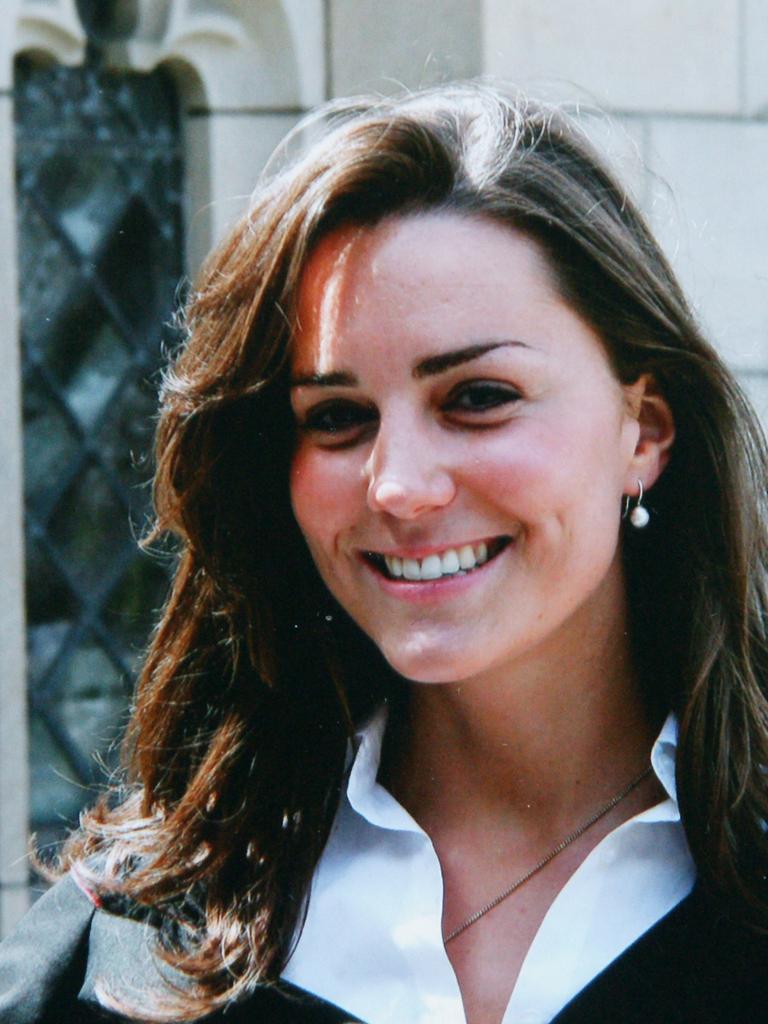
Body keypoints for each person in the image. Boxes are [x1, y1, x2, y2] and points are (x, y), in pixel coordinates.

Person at [2, 82, 768, 1024]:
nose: (399, 485)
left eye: (478, 397)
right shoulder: (126, 952)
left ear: (643, 429)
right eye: (336, 418)